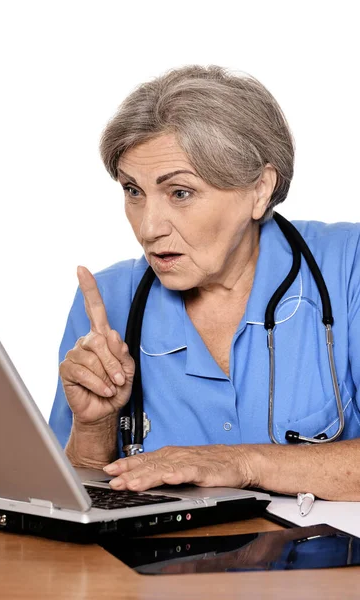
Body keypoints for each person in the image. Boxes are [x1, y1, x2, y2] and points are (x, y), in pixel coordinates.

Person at [49, 65, 360, 501]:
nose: (149, 228)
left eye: (180, 193)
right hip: (160, 567)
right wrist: (94, 426)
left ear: (260, 189)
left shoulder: (349, 266)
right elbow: (74, 501)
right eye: (133, 191)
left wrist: (240, 463)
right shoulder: (108, 301)